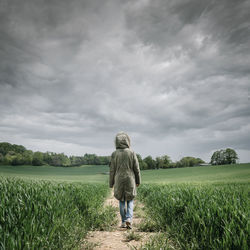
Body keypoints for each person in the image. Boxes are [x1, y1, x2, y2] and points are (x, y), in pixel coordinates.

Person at [109, 132, 141, 229]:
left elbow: (112, 170)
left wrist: (111, 183)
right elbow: (137, 168)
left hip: (118, 179)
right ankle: (129, 219)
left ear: (117, 142)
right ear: (127, 141)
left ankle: (123, 221)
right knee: (130, 200)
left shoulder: (114, 154)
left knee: (121, 200)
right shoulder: (132, 153)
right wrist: (138, 180)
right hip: (130, 179)